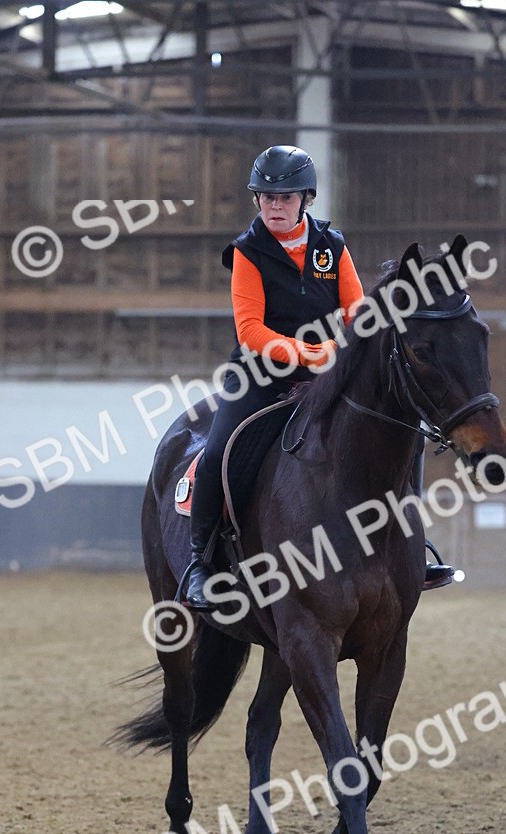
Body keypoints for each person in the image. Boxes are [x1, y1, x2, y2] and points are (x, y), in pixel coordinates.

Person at [182, 144, 453, 610]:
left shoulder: (333, 245)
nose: (274, 206)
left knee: (402, 429)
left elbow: (355, 313)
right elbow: (250, 331)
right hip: (260, 377)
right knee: (218, 451)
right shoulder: (247, 253)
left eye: (284, 198)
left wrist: (343, 352)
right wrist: (316, 354)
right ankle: (200, 562)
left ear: (305, 199)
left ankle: (412, 542)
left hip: (332, 371)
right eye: (266, 198)